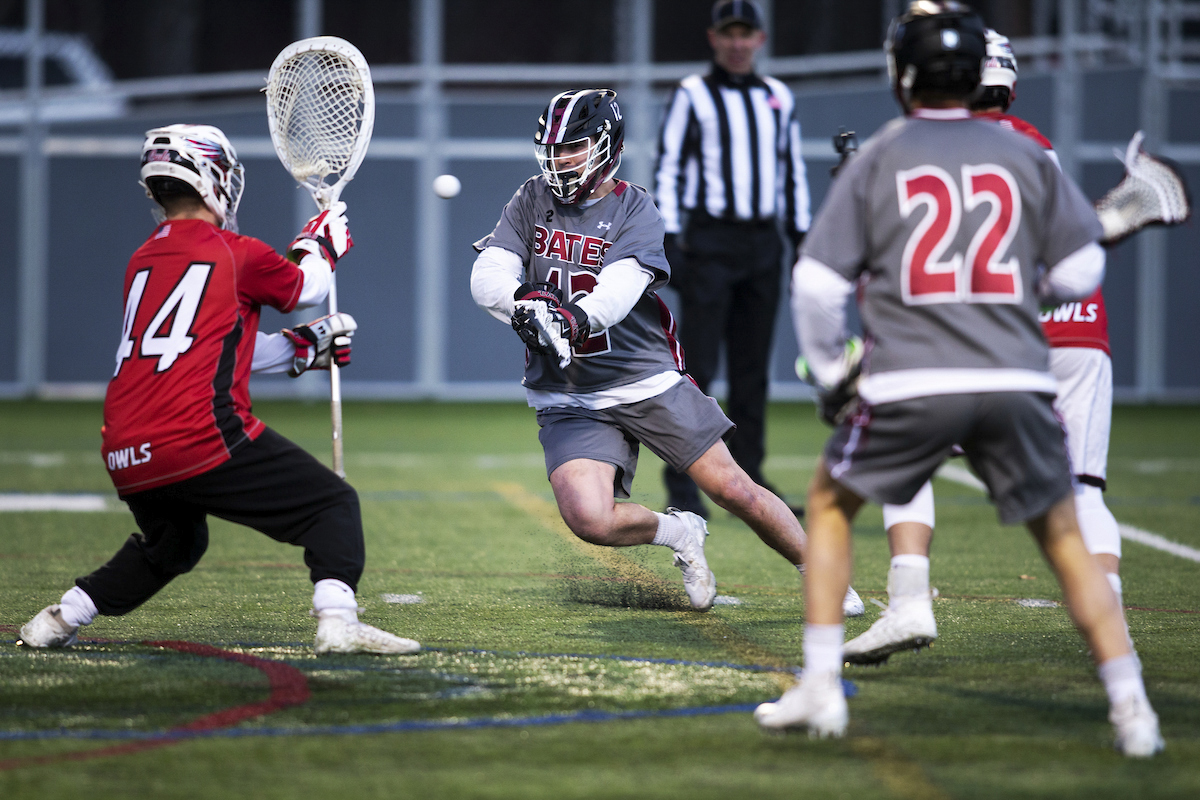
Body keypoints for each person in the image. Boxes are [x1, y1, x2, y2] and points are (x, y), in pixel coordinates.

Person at [755, 2, 1162, 759]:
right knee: (1066, 532)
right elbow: (1078, 271)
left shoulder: (883, 152)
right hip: (1014, 373)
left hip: (913, 372)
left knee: (830, 504)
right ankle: (1133, 707)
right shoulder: (1030, 156)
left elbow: (815, 284)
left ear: (903, 75)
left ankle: (819, 688)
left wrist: (835, 374)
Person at [18, 124, 418, 656]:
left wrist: (300, 351)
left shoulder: (143, 258)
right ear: (215, 178)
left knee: (175, 543)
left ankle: (59, 618)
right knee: (331, 505)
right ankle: (339, 619)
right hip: (198, 435)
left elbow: (206, 351)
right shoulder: (235, 252)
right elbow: (307, 288)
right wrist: (318, 243)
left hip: (124, 448)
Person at [470, 88, 861, 616]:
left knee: (734, 489)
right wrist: (523, 304)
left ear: (607, 147)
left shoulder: (636, 207)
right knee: (590, 519)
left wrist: (570, 318)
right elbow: (489, 272)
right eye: (553, 149)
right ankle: (679, 531)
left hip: (643, 378)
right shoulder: (530, 197)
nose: (559, 160)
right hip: (568, 391)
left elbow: (618, 289)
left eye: (572, 147)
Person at [842, 28, 1133, 667]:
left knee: (905, 454)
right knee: (1085, 491)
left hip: (989, 333)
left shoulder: (939, 146)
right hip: (1079, 326)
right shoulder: (1037, 146)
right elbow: (1077, 257)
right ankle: (1110, 627)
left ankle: (909, 596)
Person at [654, 0, 811, 520]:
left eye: (747, 34)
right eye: (730, 34)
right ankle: (681, 481)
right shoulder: (692, 94)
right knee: (697, 367)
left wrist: (801, 237)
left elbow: (791, 170)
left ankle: (750, 474)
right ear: (714, 39)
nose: (738, 43)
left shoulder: (776, 97)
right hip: (710, 245)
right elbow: (670, 165)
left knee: (752, 369)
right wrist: (672, 239)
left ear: (760, 40)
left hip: (763, 245)